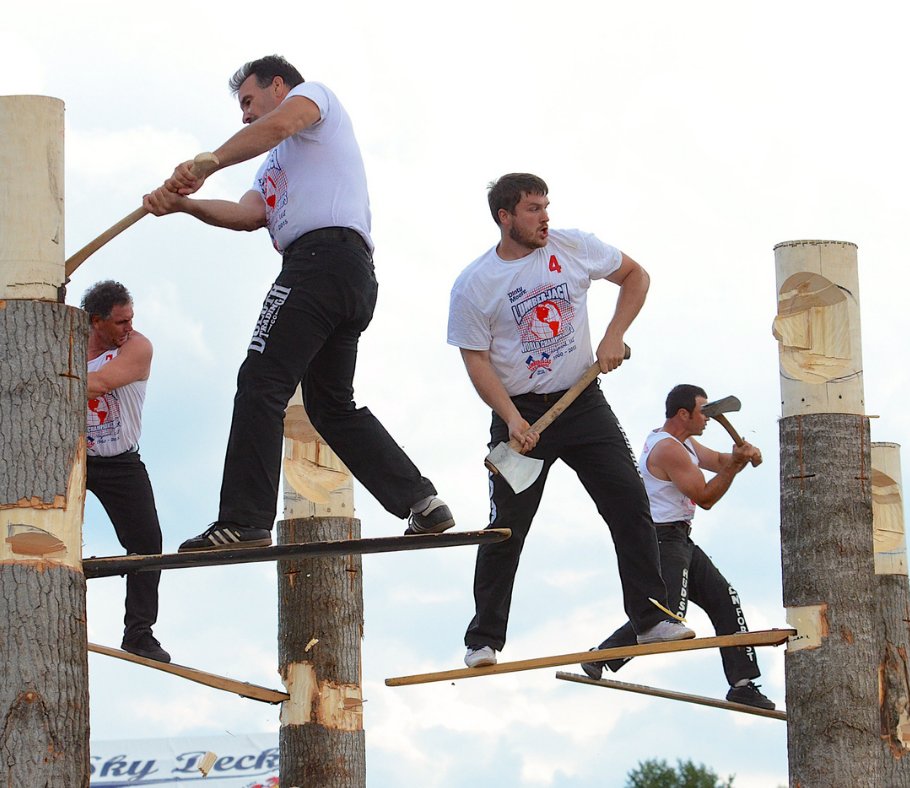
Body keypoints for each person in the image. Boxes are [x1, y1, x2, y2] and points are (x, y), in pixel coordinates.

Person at [143, 55, 453, 551]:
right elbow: (247, 215)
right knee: (330, 406)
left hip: (320, 263)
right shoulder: (275, 162)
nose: (244, 114)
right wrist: (185, 205)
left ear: (278, 85)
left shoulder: (314, 101)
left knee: (261, 381)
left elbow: (280, 123)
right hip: (343, 275)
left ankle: (243, 520)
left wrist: (207, 162)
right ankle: (421, 501)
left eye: (248, 101)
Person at [447, 173, 694, 669]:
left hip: (582, 402)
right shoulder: (475, 284)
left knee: (628, 500)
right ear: (505, 217)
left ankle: (650, 618)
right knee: (506, 527)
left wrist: (612, 335)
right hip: (521, 418)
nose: (545, 218)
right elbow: (476, 361)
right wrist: (512, 419)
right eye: (533, 209)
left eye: (546, 206)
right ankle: (483, 639)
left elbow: (635, 276)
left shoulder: (574, 246)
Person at [581, 384, 775, 710]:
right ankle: (603, 656)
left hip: (680, 538)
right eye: (703, 412)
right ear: (683, 414)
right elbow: (706, 496)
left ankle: (743, 684)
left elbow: (717, 460)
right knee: (667, 616)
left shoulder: (685, 443)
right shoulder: (668, 449)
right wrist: (734, 466)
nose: (708, 419)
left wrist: (741, 458)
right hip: (661, 539)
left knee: (724, 598)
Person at [83, 280, 170, 663]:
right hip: (71, 459)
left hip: (119, 461)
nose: (128, 327)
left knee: (148, 544)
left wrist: (41, 381)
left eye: (131, 318)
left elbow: (100, 383)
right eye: (120, 322)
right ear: (96, 321)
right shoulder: (65, 343)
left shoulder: (137, 347)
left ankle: (138, 633)